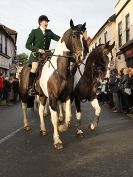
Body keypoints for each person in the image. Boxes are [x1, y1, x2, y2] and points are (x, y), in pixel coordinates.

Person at [25, 15, 60, 96]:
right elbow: (27, 45)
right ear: (40, 22)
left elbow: (58, 39)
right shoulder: (34, 31)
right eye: (45, 21)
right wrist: (38, 49)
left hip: (47, 55)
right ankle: (31, 88)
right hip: (36, 55)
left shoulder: (49, 32)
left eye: (47, 22)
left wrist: (65, 39)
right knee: (34, 67)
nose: (47, 23)